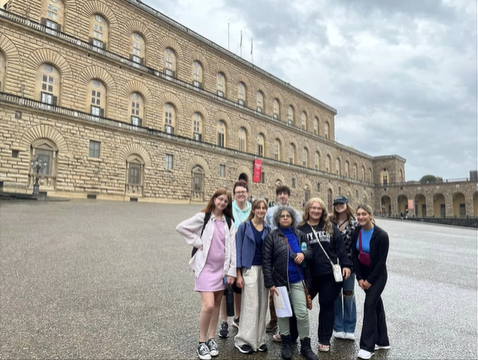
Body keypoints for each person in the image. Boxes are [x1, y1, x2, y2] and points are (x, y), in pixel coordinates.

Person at [176, 189, 236, 360]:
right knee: (208, 305)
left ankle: (211, 339)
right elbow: (181, 227)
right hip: (205, 268)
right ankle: (201, 342)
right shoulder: (203, 217)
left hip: (221, 270)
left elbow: (233, 249)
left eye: (225, 201)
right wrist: (197, 242)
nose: (222, 202)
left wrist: (231, 271)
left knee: (217, 304)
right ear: (214, 199)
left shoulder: (229, 222)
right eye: (220, 199)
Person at [263, 206, 318, 360]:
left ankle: (305, 346)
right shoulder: (272, 236)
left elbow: (310, 253)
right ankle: (286, 344)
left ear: (293, 218)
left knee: (301, 314)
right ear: (278, 219)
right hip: (280, 283)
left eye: (288, 216)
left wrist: (303, 254)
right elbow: (266, 261)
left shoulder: (300, 235)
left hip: (298, 280)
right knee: (283, 315)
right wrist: (270, 283)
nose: (285, 218)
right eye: (282, 216)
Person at [298, 197, 352, 353]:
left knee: (327, 307)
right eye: (313, 208)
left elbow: (340, 248)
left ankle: (324, 339)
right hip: (309, 275)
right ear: (307, 209)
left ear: (322, 211)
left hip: (329, 274)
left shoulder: (330, 227)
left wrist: (346, 265)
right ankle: (292, 334)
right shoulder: (300, 228)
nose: (316, 211)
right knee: (300, 305)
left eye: (319, 208)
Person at [352, 204, 390, 360]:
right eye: (358, 214)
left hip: (378, 275)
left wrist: (369, 281)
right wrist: (360, 278)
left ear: (370, 215)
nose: (360, 217)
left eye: (364, 214)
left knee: (369, 305)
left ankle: (367, 346)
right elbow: (355, 256)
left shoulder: (381, 235)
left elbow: (381, 262)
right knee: (376, 305)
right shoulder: (356, 232)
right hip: (364, 274)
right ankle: (382, 340)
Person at [234, 199, 271, 354]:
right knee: (251, 305)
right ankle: (243, 339)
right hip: (249, 269)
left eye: (263, 208)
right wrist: (238, 275)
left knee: (262, 305)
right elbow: (238, 251)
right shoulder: (244, 226)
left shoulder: (268, 228)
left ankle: (259, 339)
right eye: (258, 208)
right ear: (253, 209)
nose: (261, 211)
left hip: (264, 269)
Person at [264, 185, 301, 337]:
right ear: (277, 196)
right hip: (274, 249)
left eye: (285, 193)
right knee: (275, 287)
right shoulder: (270, 212)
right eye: (280, 194)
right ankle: (274, 319)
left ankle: (289, 324)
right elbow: (267, 228)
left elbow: (296, 231)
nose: (282, 196)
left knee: (290, 290)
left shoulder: (295, 213)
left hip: (288, 252)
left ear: (288, 196)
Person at [218, 180, 251, 338]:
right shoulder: (229, 209)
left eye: (243, 192)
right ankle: (224, 321)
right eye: (238, 192)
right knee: (224, 289)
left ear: (247, 193)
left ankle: (237, 317)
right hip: (228, 253)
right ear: (234, 194)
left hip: (245, 253)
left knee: (239, 288)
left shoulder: (252, 208)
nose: (240, 194)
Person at [330, 196, 359, 341]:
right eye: (336, 204)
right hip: (334, 265)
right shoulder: (330, 223)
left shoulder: (354, 223)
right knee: (336, 295)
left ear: (347, 205)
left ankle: (350, 327)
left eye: (341, 204)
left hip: (350, 265)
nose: (339, 206)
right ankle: (338, 327)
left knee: (348, 294)